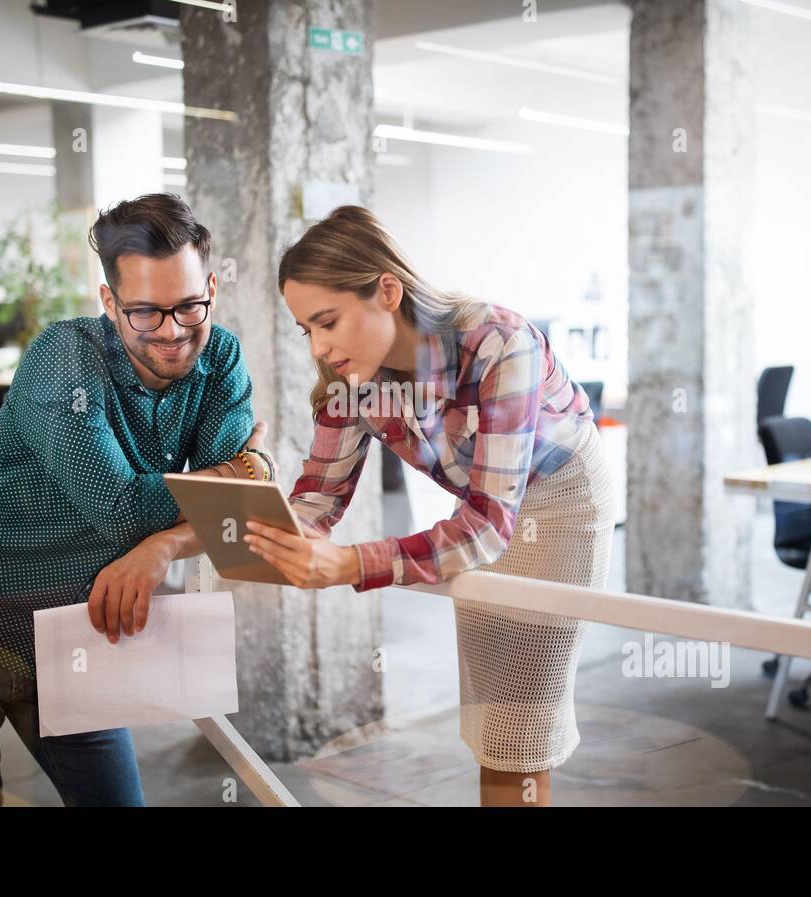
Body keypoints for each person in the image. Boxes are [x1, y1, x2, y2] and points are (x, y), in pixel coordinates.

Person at [0, 193, 276, 806]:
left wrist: (165, 546)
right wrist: (243, 468)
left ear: (212, 289)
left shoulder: (219, 356)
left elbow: (232, 511)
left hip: (67, 635)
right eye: (145, 312)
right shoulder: (63, 360)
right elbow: (121, 515)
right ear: (108, 302)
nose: (173, 332)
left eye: (189, 306)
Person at [243, 205, 615, 807]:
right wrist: (260, 526)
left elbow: (491, 527)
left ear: (387, 290)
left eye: (327, 321)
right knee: (493, 717)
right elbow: (319, 494)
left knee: (523, 722)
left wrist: (349, 564)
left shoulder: (499, 342)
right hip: (480, 511)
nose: (318, 345)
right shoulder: (352, 376)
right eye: (305, 329)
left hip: (561, 503)